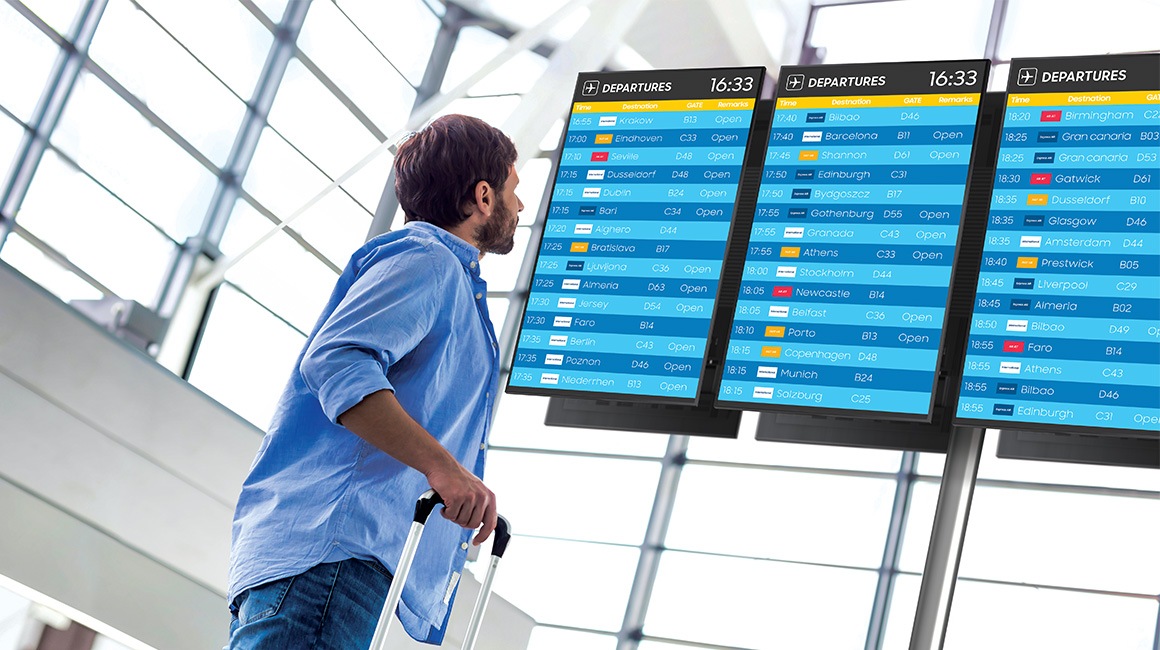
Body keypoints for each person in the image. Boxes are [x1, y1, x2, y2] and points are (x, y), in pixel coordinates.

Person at [226, 114, 523, 649]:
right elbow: (338, 360)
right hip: (333, 556)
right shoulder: (428, 259)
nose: (519, 208)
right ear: (483, 196)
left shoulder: (447, 279)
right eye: (513, 191)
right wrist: (444, 468)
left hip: (337, 565)